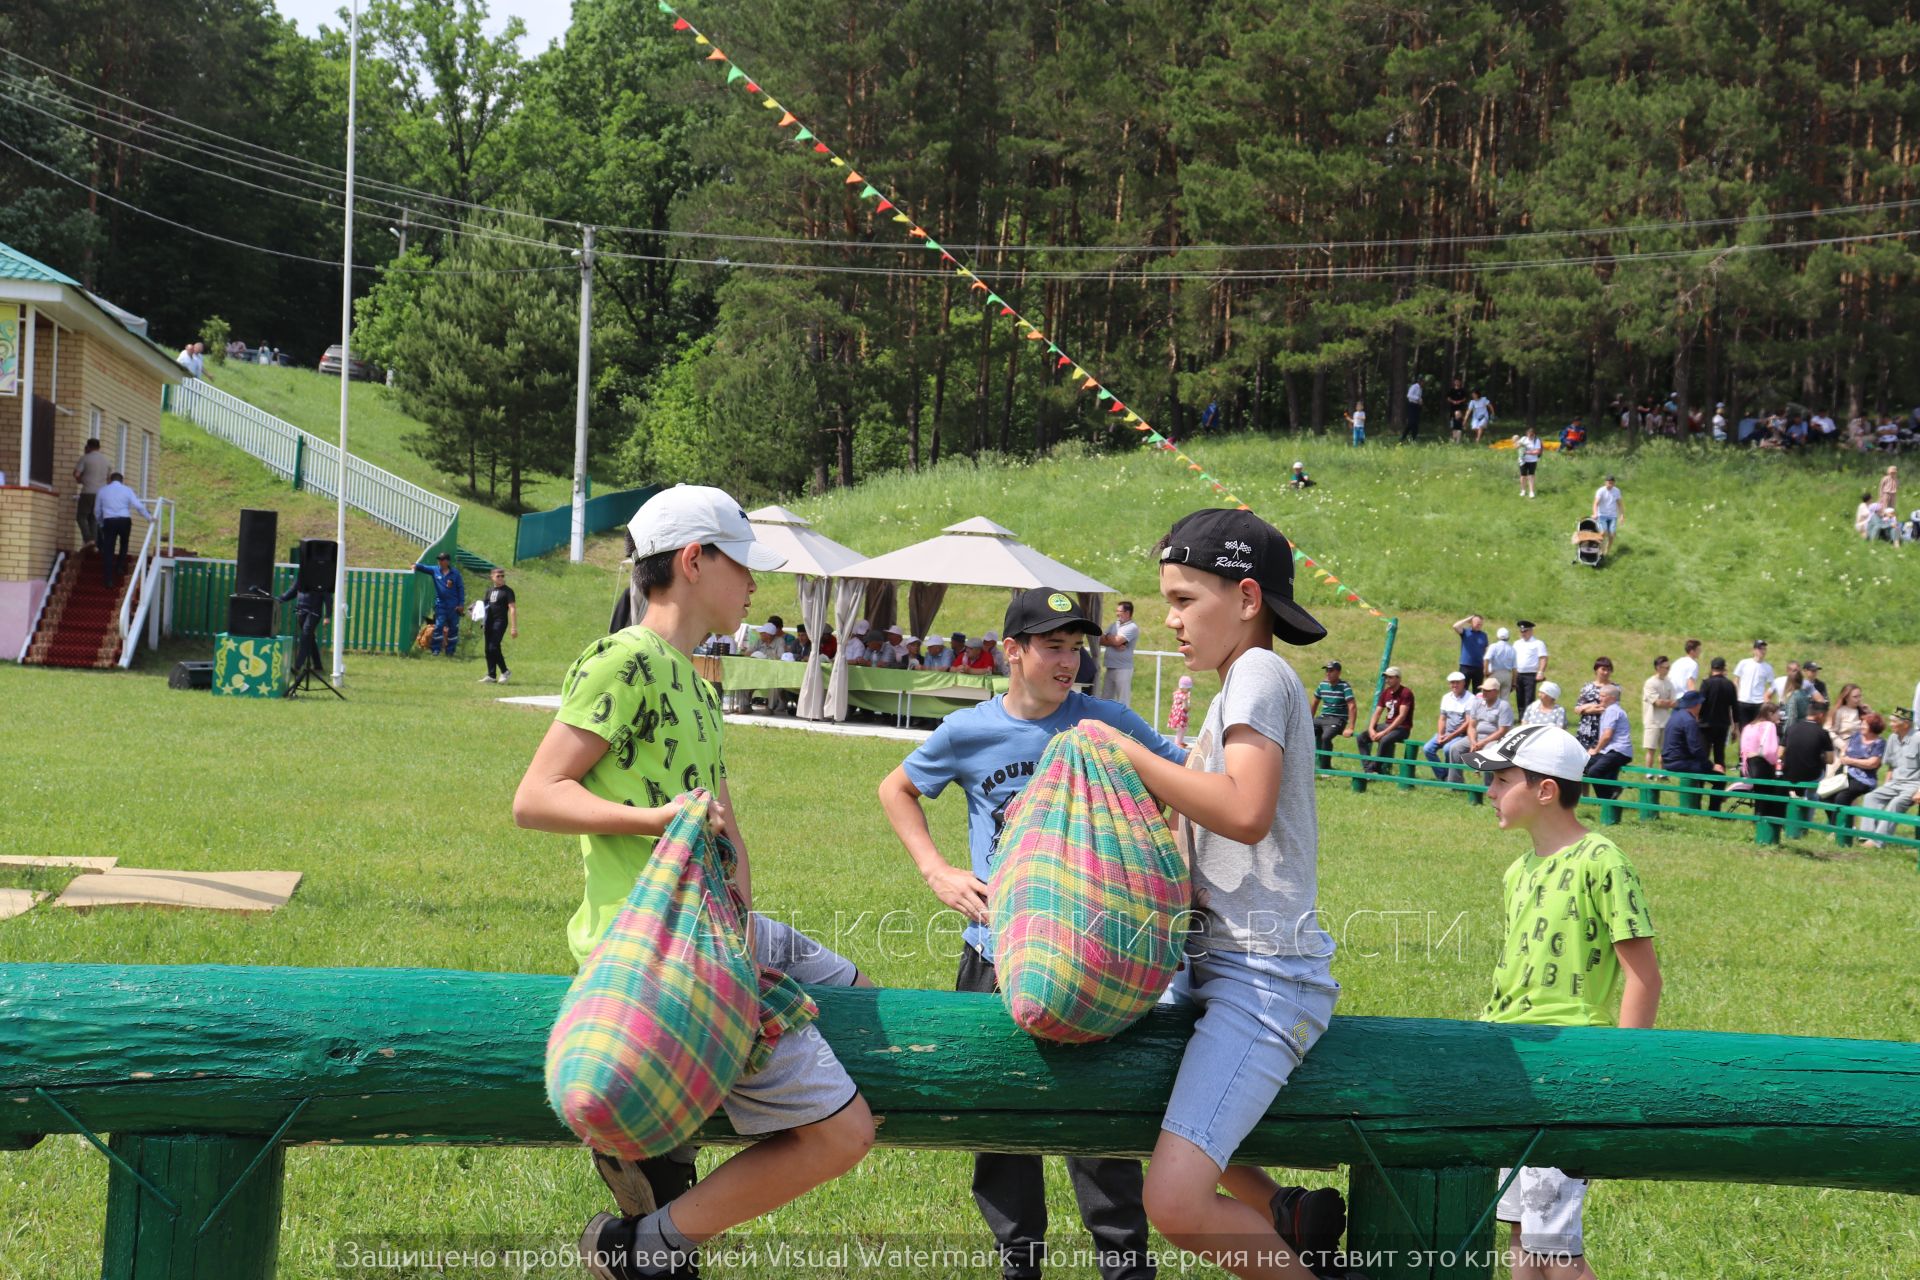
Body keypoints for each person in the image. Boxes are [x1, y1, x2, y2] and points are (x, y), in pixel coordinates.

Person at [512, 485, 875, 1280]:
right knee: (845, 1135)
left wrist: (741, 890)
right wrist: (658, 822)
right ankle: (648, 1244)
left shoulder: (699, 682)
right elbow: (536, 798)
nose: (754, 584)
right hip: (655, 954)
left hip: (722, 931)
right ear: (693, 561)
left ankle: (671, 1147)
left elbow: (721, 815)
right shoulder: (627, 660)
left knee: (856, 991)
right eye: (743, 564)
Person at [878, 588, 1187, 1280]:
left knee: (1099, 1118)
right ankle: (1019, 1262)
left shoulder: (1106, 721)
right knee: (1001, 1113)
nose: (1068, 662)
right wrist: (937, 871)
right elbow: (894, 788)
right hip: (997, 955)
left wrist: (1152, 870)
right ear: (1011, 652)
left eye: (1077, 648)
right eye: (1052, 647)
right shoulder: (968, 733)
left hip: (1094, 957)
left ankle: (1125, 1263)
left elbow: (1185, 784)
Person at [1103, 507, 1352, 1280]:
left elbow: (1244, 811)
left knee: (1173, 1202)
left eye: (1183, 600)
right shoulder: (1229, 692)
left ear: (1247, 600)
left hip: (1263, 976)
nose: (1169, 621)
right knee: (1145, 1104)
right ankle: (1283, 1213)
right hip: (1214, 969)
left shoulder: (1258, 673)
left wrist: (1131, 754)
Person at [1464, 726, 1660, 1280]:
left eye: (1502, 780)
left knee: (1557, 1251)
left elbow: (1644, 978)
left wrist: (1619, 1071)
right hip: (1510, 1062)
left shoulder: (1604, 861)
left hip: (1568, 1069)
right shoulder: (1516, 872)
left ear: (1545, 790)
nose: (1491, 792)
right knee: (1522, 1234)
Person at [1859, 708, 1920, 846]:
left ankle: (1878, 841)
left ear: (1905, 724)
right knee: (1871, 797)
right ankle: (1866, 835)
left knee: (1895, 804)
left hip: (1913, 785)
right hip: (1894, 783)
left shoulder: (1918, 739)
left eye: (1894, 721)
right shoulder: (1893, 738)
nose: (1890, 724)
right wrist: (1886, 784)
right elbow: (1891, 766)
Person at [1661, 690, 1724, 811]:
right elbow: (1696, 749)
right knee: (1720, 777)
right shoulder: (1689, 721)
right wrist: (1711, 766)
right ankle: (1714, 812)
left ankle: (1697, 806)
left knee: (1701, 770)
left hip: (1668, 760)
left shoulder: (1675, 716)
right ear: (1696, 705)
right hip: (1679, 762)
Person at [92, 471, 152, 590]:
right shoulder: (127, 490)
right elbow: (138, 505)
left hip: (109, 520)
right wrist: (149, 518)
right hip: (124, 520)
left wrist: (100, 522)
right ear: (122, 480)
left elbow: (97, 510)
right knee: (124, 543)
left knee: (109, 549)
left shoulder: (102, 490)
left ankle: (108, 580)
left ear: (110, 480)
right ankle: (120, 565)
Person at [1447, 677, 1514, 777]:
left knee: (1489, 752)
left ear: (1496, 692)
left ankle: (1488, 786)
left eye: (1487, 690)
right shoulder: (1477, 703)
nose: (1484, 692)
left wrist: (1482, 743)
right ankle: (1455, 784)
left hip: (1495, 740)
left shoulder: (1503, 706)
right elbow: (1471, 726)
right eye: (1483, 690)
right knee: (1455, 748)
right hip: (1477, 737)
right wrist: (1473, 741)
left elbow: (1502, 731)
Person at [1356, 666, 1415, 775]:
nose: (1387, 680)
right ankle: (1369, 770)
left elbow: (1402, 716)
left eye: (1390, 677)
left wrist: (1384, 732)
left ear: (1398, 678)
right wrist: (1371, 729)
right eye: (1386, 677)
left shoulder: (1406, 693)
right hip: (1387, 725)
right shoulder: (1386, 692)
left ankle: (1375, 769)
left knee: (1384, 740)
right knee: (1361, 737)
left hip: (1402, 728)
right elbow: (1377, 712)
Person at [1422, 672, 1476, 783]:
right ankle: (1443, 775)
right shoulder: (1446, 697)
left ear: (1464, 683)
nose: (1454, 685)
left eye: (1457, 682)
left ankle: (1449, 777)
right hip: (1447, 733)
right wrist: (1441, 734)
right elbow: (1442, 718)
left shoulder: (1471, 699)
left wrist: (1451, 736)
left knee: (1448, 749)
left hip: (1461, 735)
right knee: (1427, 749)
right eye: (1452, 683)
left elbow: (1468, 722)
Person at [1780, 696, 1834, 807]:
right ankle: (1812, 802)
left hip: (1790, 775)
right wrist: (1818, 755)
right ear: (1820, 716)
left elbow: (1779, 753)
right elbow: (1830, 759)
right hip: (1812, 775)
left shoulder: (1791, 728)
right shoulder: (1823, 733)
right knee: (1816, 786)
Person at [1582, 685, 1633, 800]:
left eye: (1603, 696)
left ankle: (1607, 799)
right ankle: (1609, 795)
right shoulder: (1609, 710)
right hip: (1610, 751)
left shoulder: (1612, 710)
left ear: (1612, 698)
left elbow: (1607, 735)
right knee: (1585, 765)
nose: (1599, 698)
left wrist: (1596, 750)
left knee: (1594, 772)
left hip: (1619, 752)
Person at [276, 575, 331, 678]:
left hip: (314, 613)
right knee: (309, 638)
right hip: (301, 611)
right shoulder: (301, 578)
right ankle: (318, 665)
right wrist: (278, 599)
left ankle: (297, 666)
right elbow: (292, 592)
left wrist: (327, 616)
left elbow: (328, 598)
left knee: (305, 635)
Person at [412, 552, 465, 657]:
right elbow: (424, 567)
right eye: (439, 560)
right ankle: (435, 650)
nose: (439, 562)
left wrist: (461, 604)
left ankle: (450, 651)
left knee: (453, 629)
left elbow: (461, 589)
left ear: (447, 561)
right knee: (438, 627)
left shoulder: (455, 573)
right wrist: (415, 566)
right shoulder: (435, 570)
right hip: (440, 605)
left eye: (442, 560)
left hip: (453, 607)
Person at [1740, 702, 1787, 820]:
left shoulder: (1748, 726)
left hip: (1750, 766)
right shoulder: (1769, 726)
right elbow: (1770, 751)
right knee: (1768, 793)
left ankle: (1757, 818)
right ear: (1770, 714)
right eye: (1777, 713)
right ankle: (1764, 820)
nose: (1779, 716)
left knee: (1759, 795)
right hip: (1763, 765)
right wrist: (1775, 761)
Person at [1832, 713, 1886, 811]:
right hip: (1845, 772)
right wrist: (1843, 755)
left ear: (1873, 727)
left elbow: (1872, 763)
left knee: (1842, 798)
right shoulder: (1856, 735)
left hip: (1863, 778)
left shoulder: (1879, 743)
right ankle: (1834, 823)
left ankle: (1841, 825)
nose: (1862, 726)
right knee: (1825, 796)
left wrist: (1850, 761)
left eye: (1865, 725)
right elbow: (1846, 748)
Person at [1311, 659, 1358, 768]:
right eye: (1327, 670)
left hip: (1338, 719)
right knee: (1304, 732)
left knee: (1326, 737)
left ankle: (1325, 767)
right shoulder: (1322, 685)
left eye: (1331, 670)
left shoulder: (1344, 686)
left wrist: (1350, 727)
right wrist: (1309, 719)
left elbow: (1352, 706)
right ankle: (1305, 764)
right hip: (1323, 717)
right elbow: (1314, 702)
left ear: (1338, 672)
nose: (1328, 673)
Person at [477, 567, 518, 685]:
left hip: (500, 622)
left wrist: (514, 627)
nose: (501, 578)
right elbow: (484, 608)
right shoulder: (489, 591)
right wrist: (480, 618)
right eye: (498, 576)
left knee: (493, 647)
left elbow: (512, 609)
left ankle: (505, 671)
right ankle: (491, 675)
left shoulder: (508, 591)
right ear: (492, 577)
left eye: (502, 576)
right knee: (488, 649)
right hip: (489, 622)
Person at [1099, 600, 1141, 705]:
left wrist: (1110, 638)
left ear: (1127, 613)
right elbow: (1100, 640)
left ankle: (1123, 721)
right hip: (1110, 666)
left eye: (1119, 611)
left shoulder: (1132, 627)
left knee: (1123, 700)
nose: (1117, 613)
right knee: (1105, 699)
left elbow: (1117, 640)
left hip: (1123, 669)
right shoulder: (1114, 625)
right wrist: (1112, 640)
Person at [1699, 657, 1738, 769]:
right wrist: (1735, 728)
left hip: (1705, 724)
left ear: (1712, 669)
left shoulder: (1706, 683)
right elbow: (1735, 707)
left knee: (1704, 754)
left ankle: (1700, 783)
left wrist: (1696, 719)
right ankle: (1719, 783)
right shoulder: (1729, 685)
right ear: (1724, 668)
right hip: (1722, 725)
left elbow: (1700, 704)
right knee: (1719, 755)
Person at [72, 438, 111, 544]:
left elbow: (76, 474)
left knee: (81, 516)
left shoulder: (85, 458)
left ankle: (88, 538)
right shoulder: (106, 461)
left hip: (88, 492)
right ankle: (93, 544)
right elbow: (109, 479)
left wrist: (81, 481)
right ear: (99, 447)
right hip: (101, 494)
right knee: (93, 518)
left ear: (88, 447)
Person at [1573, 657, 1615, 750]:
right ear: (1596, 670)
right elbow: (1577, 709)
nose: (1606, 672)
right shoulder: (1587, 687)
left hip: (1603, 727)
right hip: (1585, 728)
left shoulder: (1614, 688)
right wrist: (1587, 708)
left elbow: (1608, 708)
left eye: (1608, 670)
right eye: (1603, 669)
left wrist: (1587, 707)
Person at [1641, 656, 1675, 769]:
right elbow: (1657, 703)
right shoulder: (1650, 683)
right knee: (1651, 749)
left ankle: (1662, 773)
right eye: (1666, 667)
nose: (1668, 670)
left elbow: (1674, 702)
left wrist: (1665, 702)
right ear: (1658, 667)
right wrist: (1667, 702)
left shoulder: (1669, 682)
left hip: (1666, 721)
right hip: (1652, 721)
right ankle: (1648, 772)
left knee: (1664, 749)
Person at [1731, 640, 1773, 731]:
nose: (1762, 651)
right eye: (1760, 649)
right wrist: (1737, 695)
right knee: (1743, 729)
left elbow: (1772, 685)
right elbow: (1736, 680)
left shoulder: (1768, 667)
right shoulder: (1744, 663)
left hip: (1759, 703)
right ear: (1754, 650)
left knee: (1757, 729)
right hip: (1743, 701)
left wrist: (1766, 698)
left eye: (1764, 649)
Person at [1512, 621, 1549, 712]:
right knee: (1519, 697)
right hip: (1518, 673)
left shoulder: (1538, 643)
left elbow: (1543, 658)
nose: (1523, 633)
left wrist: (1540, 672)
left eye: (1525, 631)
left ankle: (1529, 717)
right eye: (1521, 631)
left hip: (1530, 674)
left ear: (1531, 631)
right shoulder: (1517, 643)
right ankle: (1521, 718)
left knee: (1529, 698)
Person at [1452, 614, 1490, 692]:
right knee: (1462, 689)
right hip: (1466, 666)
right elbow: (1455, 626)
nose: (1479, 625)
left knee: (1477, 691)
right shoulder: (1465, 632)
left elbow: (1486, 651)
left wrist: (1486, 666)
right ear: (1471, 623)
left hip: (1479, 667)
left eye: (1480, 624)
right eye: (1477, 623)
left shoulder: (1483, 635)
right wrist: (1467, 619)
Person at [1829, 684, 1867, 761]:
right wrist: (1843, 746)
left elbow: (1877, 727)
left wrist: (1869, 712)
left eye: (1860, 696)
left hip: (1862, 750)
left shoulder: (1863, 711)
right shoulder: (1840, 711)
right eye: (1855, 697)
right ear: (1846, 698)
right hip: (1844, 750)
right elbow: (1831, 732)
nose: (1859, 699)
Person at [1591, 476, 1623, 553]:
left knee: (1612, 535)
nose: (1610, 485)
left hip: (1613, 516)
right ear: (1605, 482)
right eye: (1609, 483)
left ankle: (1607, 551)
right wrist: (1595, 514)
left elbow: (1620, 504)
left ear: (1614, 483)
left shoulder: (1617, 491)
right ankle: (1599, 550)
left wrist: (1622, 516)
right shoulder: (1601, 491)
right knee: (1603, 533)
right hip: (1602, 515)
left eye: (1612, 483)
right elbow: (1595, 504)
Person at [1486, 626, 1517, 697]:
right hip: (1507, 675)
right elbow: (1514, 668)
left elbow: (1486, 659)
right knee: (1505, 698)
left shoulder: (1493, 646)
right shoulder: (1512, 649)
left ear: (1497, 636)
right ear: (1508, 637)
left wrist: (1486, 672)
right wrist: (1514, 683)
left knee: (1491, 697)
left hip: (1495, 673)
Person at [1516, 427, 1543, 498]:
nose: (1530, 437)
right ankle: (1523, 491)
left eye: (1531, 435)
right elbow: (1517, 446)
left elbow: (1537, 451)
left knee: (1531, 475)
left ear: (1534, 434)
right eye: (1529, 435)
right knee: (1523, 476)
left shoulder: (1537, 440)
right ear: (1526, 434)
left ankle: (1531, 492)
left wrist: (1527, 452)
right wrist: (1518, 444)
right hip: (1523, 460)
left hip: (1532, 461)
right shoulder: (1523, 439)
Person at [1447, 377, 1469, 442]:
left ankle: (1458, 438)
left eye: (1458, 381)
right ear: (1454, 382)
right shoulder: (1451, 390)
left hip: (1460, 408)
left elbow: (1465, 398)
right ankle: (1453, 437)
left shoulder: (1462, 390)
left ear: (1460, 383)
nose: (1457, 383)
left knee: (1459, 422)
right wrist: (1453, 401)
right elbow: (1448, 398)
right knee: (1453, 422)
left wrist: (1460, 401)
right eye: (1456, 381)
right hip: (1452, 408)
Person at [1403, 376, 1424, 440]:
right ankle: (1403, 437)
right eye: (1422, 381)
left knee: (1416, 423)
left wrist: (1420, 401)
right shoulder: (1414, 387)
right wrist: (1418, 399)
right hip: (1411, 405)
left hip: (1417, 406)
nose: (1423, 383)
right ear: (1420, 381)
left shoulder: (1421, 389)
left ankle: (1414, 438)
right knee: (1411, 422)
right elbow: (1409, 395)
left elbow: (1419, 397)